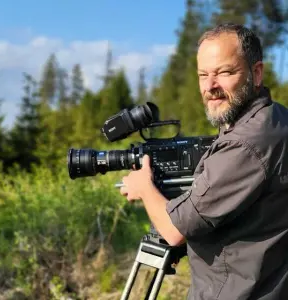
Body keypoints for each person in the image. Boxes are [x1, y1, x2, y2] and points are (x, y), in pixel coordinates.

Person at [120, 23, 288, 300]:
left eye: (224, 72)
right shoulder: (276, 118)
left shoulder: (245, 143)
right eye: (203, 75)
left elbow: (174, 231)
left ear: (256, 73)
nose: (211, 86)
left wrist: (143, 187)